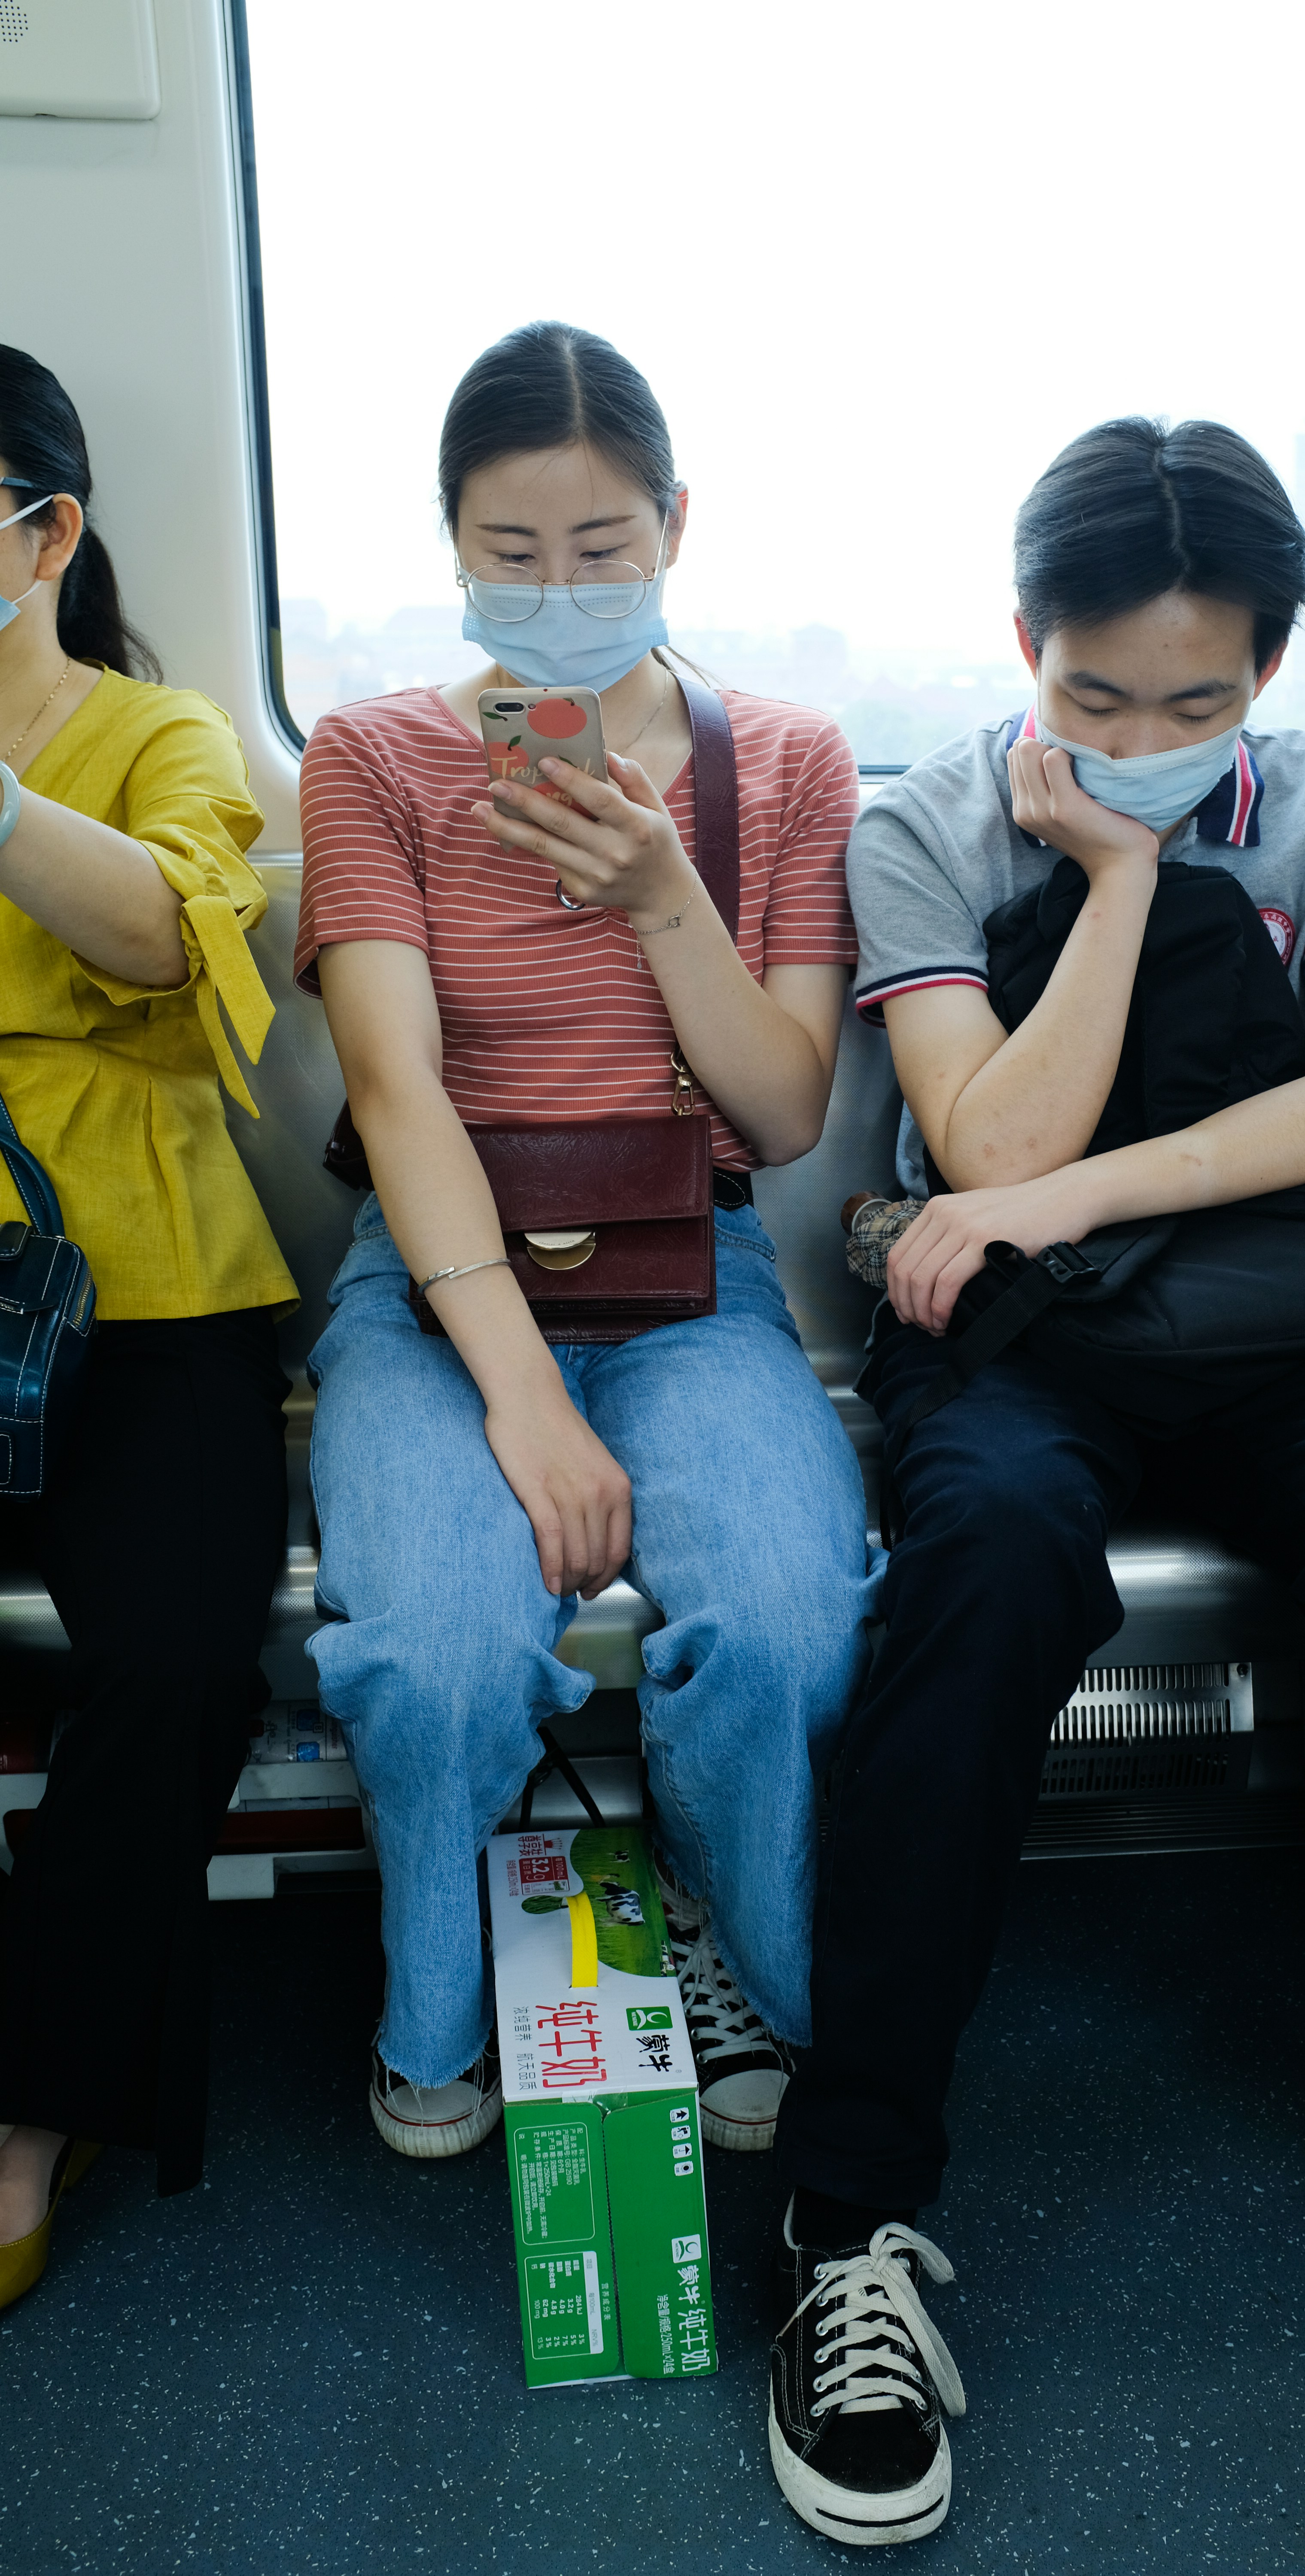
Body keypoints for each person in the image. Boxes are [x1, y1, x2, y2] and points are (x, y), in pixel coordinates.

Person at [764, 416, 1305, 2547]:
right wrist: (1121, 886)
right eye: (1095, 695)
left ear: (1272, 677)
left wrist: (1068, 1189)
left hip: (1284, 1321)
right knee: (985, 1557)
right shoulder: (927, 826)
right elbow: (986, 1148)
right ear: (1021, 643)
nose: (1140, 735)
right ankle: (851, 2213)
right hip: (1031, 1350)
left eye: (1196, 704)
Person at [295, 322, 879, 2165]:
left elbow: (782, 1116)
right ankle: (434, 1992)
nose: (558, 597)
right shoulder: (373, 758)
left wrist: (663, 897)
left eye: (603, 552)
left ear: (676, 528)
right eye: (516, 558)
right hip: (441, 1283)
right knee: (441, 1650)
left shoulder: (781, 761)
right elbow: (393, 1097)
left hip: (689, 1273)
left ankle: (729, 1932)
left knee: (787, 1624)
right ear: (455, 545)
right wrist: (531, 1403)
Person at [0, 347, 295, 2305]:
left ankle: (33, 2107)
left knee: (181, 1655)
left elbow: (167, 938)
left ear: (44, 533)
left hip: (141, 1277)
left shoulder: (163, 734)